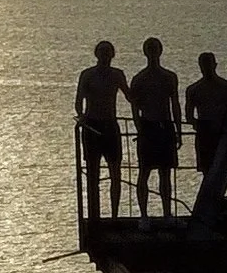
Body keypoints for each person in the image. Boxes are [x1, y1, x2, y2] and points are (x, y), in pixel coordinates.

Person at [74, 39, 128, 219]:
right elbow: (79, 101)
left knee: (115, 172)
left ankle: (114, 215)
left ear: (112, 55)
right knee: (92, 172)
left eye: (108, 53)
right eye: (102, 53)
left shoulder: (117, 75)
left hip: (110, 126)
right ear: (97, 54)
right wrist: (82, 117)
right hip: (92, 126)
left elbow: (130, 96)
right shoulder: (87, 75)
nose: (105, 56)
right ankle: (94, 214)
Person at [129, 37, 183, 218]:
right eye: (150, 49)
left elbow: (175, 104)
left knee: (165, 173)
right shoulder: (139, 79)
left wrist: (178, 130)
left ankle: (167, 213)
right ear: (145, 52)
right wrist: (139, 128)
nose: (153, 52)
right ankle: (144, 215)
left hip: (165, 127)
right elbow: (135, 107)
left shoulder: (169, 77)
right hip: (148, 127)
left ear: (160, 51)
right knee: (144, 171)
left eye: (155, 48)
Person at [184, 51, 227, 199]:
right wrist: (202, 126)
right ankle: (215, 201)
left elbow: (189, 117)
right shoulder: (194, 90)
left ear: (215, 65)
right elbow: (189, 117)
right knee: (209, 172)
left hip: (222, 133)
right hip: (207, 134)